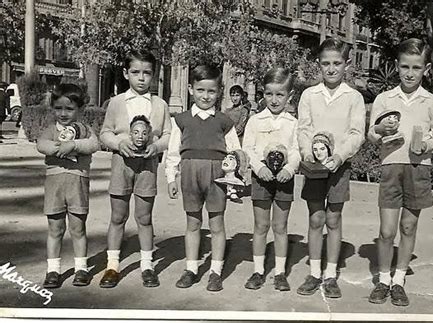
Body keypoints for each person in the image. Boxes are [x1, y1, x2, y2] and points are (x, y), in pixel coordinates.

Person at [367, 38, 433, 307]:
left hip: (419, 167)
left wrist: (427, 144)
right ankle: (382, 279)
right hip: (391, 166)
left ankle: (399, 280)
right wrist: (381, 135)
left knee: (408, 225)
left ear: (426, 69)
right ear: (396, 66)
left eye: (416, 68)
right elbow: (371, 132)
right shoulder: (384, 99)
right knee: (387, 230)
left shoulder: (432, 102)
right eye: (404, 67)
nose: (409, 73)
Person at [296, 38, 366, 298]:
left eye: (337, 63)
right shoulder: (309, 95)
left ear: (346, 65)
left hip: (339, 165)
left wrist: (339, 156)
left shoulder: (354, 97)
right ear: (319, 65)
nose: (331, 68)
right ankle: (314, 273)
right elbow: (303, 129)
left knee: (333, 218)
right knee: (316, 218)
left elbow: (357, 133)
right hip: (314, 167)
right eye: (326, 63)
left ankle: (330, 275)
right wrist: (308, 154)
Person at [99, 49, 171, 288]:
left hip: (148, 167)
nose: (141, 78)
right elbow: (105, 132)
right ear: (125, 73)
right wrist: (119, 143)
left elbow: (169, 135)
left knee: (144, 217)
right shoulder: (117, 102)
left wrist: (157, 146)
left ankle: (147, 265)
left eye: (147, 73)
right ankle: (112, 266)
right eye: (135, 72)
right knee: (118, 217)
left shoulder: (160, 104)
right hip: (122, 164)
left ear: (154, 75)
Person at [165, 65, 241, 292]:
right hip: (189, 175)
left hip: (216, 177)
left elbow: (235, 152)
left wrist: (233, 179)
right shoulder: (181, 120)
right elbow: (172, 153)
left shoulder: (224, 121)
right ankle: (191, 268)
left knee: (216, 223)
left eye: (211, 91)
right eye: (200, 90)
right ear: (190, 89)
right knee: (193, 223)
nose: (205, 96)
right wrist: (171, 178)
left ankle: (216, 271)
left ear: (219, 92)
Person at [242, 67, 300, 291]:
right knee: (260, 225)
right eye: (269, 94)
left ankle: (280, 272)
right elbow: (248, 148)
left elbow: (297, 149)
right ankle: (258, 271)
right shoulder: (256, 120)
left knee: (280, 226)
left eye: (280, 94)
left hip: (284, 178)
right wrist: (258, 167)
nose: (274, 100)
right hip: (262, 178)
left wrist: (290, 168)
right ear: (262, 94)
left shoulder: (293, 123)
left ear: (289, 96)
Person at [36, 83, 100, 288]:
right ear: (53, 108)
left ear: (79, 110)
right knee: (55, 228)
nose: (63, 113)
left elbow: (94, 144)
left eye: (69, 108)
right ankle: (53, 270)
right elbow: (41, 144)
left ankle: (81, 268)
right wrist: (58, 148)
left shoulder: (83, 130)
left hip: (77, 181)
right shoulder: (50, 130)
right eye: (59, 108)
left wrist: (74, 145)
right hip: (54, 183)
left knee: (77, 227)